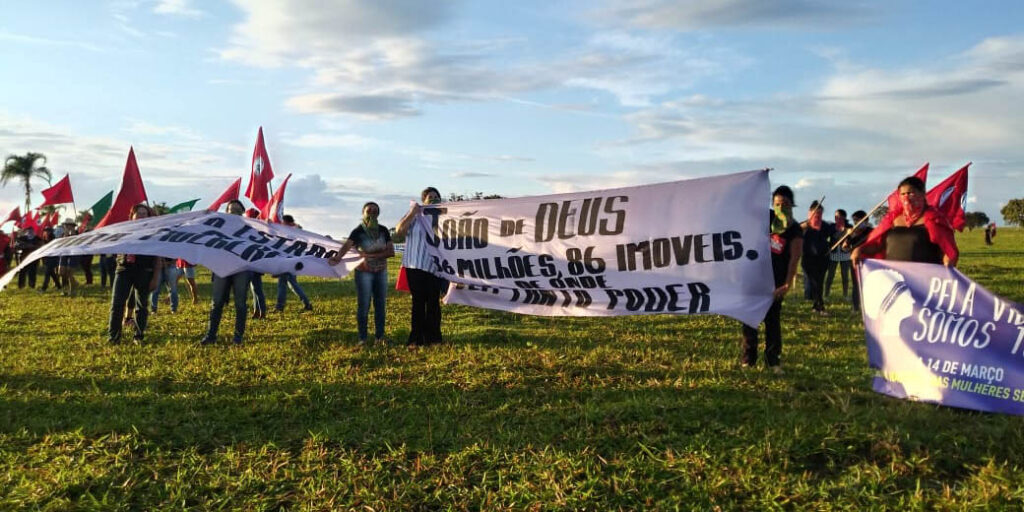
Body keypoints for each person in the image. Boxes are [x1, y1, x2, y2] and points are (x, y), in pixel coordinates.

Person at [741, 185, 803, 373]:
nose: (780, 207)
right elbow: (746, 206)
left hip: (775, 282)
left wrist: (787, 283)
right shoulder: (766, 218)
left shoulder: (794, 230)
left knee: (772, 321)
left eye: (784, 203)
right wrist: (759, 180)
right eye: (776, 203)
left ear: (792, 204)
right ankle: (748, 359)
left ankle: (773, 361)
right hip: (754, 277)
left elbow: (794, 259)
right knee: (749, 320)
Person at [852, 176, 959, 267]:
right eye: (903, 194)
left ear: (922, 194)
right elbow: (876, 245)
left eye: (911, 193)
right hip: (894, 278)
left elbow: (948, 250)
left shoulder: (934, 219)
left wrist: (947, 265)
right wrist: (860, 250)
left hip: (924, 279)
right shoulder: (891, 219)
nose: (906, 198)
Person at [330, 202, 395, 345]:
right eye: (369, 211)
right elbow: (347, 246)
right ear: (363, 213)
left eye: (375, 211)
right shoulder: (358, 231)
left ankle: (380, 336)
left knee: (380, 304)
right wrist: (338, 257)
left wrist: (369, 255)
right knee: (364, 305)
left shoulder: (384, 230)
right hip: (364, 273)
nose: (372, 213)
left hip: (381, 272)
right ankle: (363, 338)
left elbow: (391, 252)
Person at [395, 187, 446, 348]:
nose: (432, 199)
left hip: (435, 267)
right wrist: (412, 213)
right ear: (423, 200)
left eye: (435, 196)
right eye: (429, 197)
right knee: (418, 304)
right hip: (414, 264)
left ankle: (434, 338)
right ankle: (415, 339)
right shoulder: (415, 217)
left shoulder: (445, 218)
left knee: (433, 304)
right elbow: (399, 231)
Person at [107, 204, 162, 344]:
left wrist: (155, 277)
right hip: (123, 270)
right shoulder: (123, 231)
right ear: (132, 216)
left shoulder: (153, 234)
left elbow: (157, 258)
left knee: (142, 305)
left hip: (144, 271)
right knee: (117, 304)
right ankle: (114, 337)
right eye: (138, 213)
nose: (141, 216)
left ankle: (138, 336)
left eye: (145, 214)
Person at [200, 200, 251, 345]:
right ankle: (211, 335)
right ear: (226, 212)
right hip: (221, 268)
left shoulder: (250, 228)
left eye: (236, 210)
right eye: (230, 209)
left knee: (240, 303)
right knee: (216, 303)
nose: (233, 212)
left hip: (241, 268)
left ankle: (238, 337)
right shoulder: (219, 227)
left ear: (242, 212)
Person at [800, 200, 834, 315]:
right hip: (808, 259)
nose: (818, 215)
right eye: (815, 213)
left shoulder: (825, 226)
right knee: (815, 283)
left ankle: (816, 306)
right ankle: (821, 307)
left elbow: (834, 236)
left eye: (820, 213)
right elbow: (794, 234)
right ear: (810, 212)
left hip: (823, 259)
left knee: (819, 283)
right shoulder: (805, 226)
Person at [274, 215, 313, 313]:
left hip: (289, 262)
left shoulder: (290, 233)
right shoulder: (296, 232)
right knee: (292, 285)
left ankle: (280, 306)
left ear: (287, 222)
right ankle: (306, 303)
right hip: (293, 262)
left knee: (283, 284)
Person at [842, 210, 872, 312]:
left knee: (868, 284)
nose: (856, 223)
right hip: (855, 262)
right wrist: (848, 237)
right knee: (856, 284)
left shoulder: (871, 231)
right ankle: (855, 307)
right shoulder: (852, 233)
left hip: (869, 261)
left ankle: (868, 306)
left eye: (858, 220)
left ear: (866, 220)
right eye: (854, 221)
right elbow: (844, 248)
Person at [245, 208, 268, 319]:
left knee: (257, 289)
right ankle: (256, 311)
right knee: (253, 289)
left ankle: (262, 311)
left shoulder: (258, 231)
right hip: (249, 264)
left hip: (256, 264)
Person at [825, 209, 852, 299]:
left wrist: (847, 241)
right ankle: (826, 294)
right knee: (830, 275)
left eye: (839, 217)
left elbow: (852, 238)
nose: (837, 219)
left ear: (844, 217)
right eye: (835, 217)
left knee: (845, 276)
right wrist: (829, 246)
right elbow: (825, 238)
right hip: (833, 254)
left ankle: (845, 295)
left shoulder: (849, 227)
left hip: (845, 254)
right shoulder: (831, 227)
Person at [57, 219, 81, 296]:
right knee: (61, 272)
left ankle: (72, 291)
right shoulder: (63, 234)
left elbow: (77, 242)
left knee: (70, 273)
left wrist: (72, 234)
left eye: (68, 225)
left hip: (74, 254)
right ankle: (69, 286)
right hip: (64, 253)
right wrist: (66, 235)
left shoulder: (77, 234)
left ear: (73, 226)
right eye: (65, 225)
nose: (66, 226)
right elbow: (61, 243)